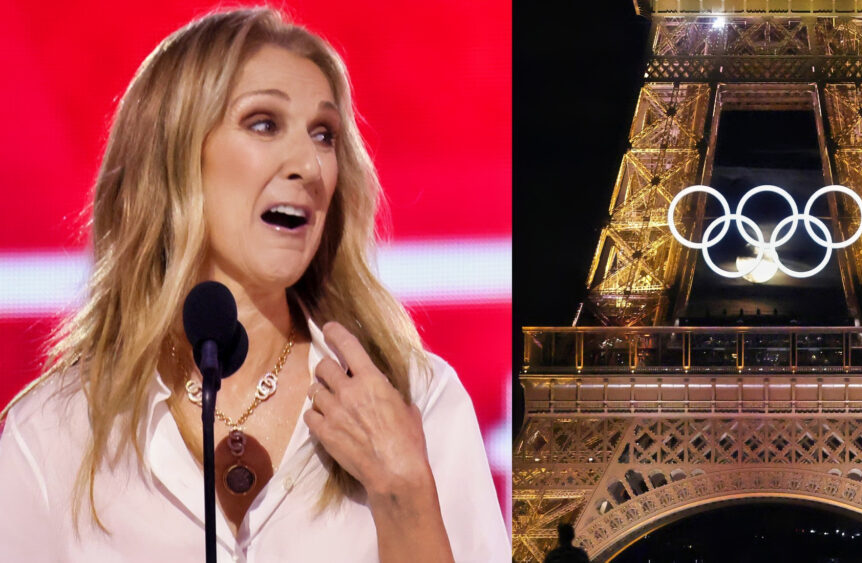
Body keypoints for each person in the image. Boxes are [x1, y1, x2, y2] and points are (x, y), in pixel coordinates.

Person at [0, 8, 508, 562]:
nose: (310, 167)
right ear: (173, 156)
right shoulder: (51, 434)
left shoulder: (417, 400)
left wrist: (403, 490)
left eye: (324, 135)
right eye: (264, 123)